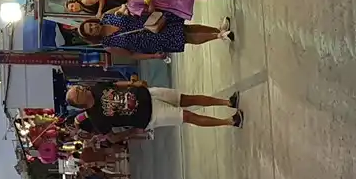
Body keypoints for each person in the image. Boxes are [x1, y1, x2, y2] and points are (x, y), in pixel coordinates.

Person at [65, 80, 242, 132]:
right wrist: (132, 131)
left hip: (148, 94)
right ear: (80, 103)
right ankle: (229, 121)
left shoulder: (97, 87)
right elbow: (110, 136)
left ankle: (226, 102)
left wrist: (132, 83)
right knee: (187, 116)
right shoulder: (96, 118)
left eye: (79, 87)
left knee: (188, 99)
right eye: (78, 92)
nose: (82, 89)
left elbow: (115, 85)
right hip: (150, 115)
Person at [77, 13, 233, 60]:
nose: (94, 27)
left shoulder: (107, 17)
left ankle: (217, 30)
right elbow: (131, 55)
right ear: (92, 36)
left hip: (151, 23)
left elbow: (128, 10)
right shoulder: (108, 44)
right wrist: (153, 56)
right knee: (186, 38)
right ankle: (219, 36)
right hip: (151, 41)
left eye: (91, 25)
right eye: (91, 30)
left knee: (186, 28)